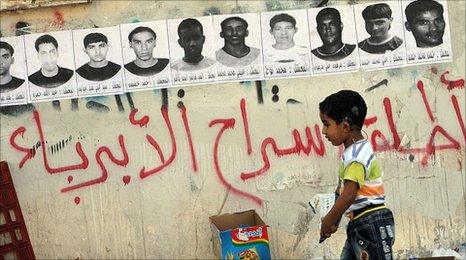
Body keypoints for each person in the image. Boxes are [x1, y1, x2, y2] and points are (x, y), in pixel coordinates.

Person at [318, 90, 394, 259]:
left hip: (370, 225)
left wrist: (328, 221)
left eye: (326, 124)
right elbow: (342, 192)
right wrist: (334, 219)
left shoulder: (355, 157)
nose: (323, 131)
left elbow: (349, 194)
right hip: (361, 223)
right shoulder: (355, 150)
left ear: (345, 126)